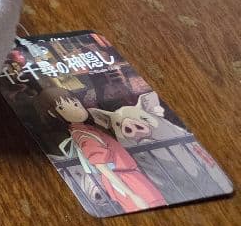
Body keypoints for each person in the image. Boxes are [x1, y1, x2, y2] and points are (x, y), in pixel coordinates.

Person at [37, 86, 165, 213]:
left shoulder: (87, 130)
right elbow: (102, 166)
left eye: (75, 103)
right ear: (52, 114)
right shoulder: (84, 135)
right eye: (62, 108)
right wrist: (132, 194)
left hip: (129, 177)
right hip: (125, 180)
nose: (76, 109)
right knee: (153, 206)